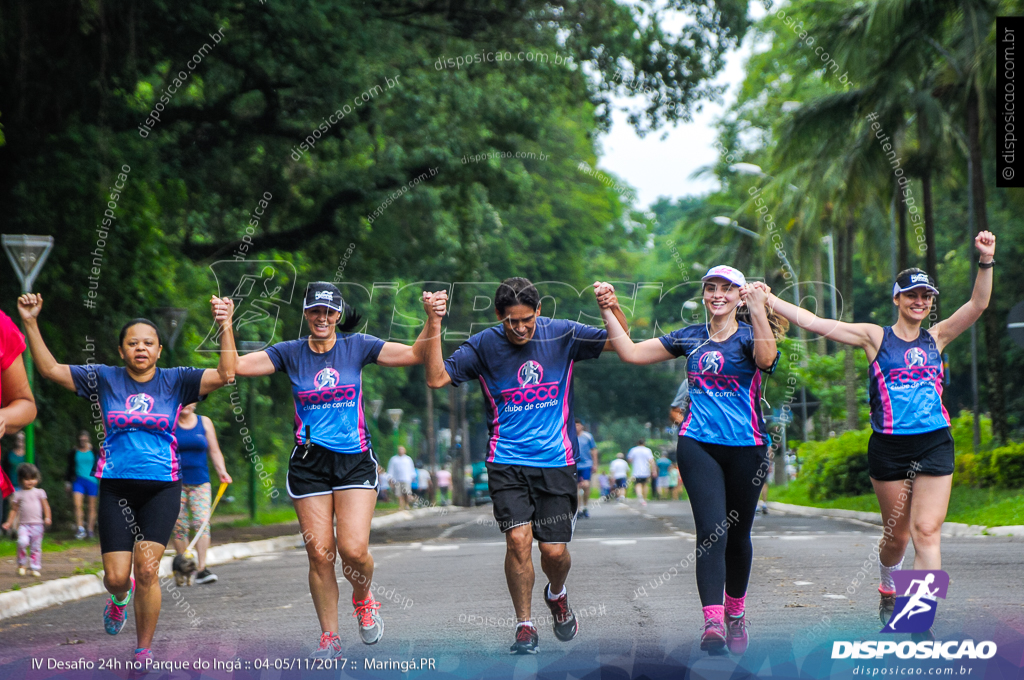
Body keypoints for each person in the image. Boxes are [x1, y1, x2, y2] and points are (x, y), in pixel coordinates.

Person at [757, 230, 997, 632]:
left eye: (926, 297)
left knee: (926, 531)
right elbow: (818, 323)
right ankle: (889, 585)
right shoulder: (875, 337)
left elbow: (977, 304)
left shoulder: (937, 337)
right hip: (888, 448)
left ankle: (917, 622)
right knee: (897, 537)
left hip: (935, 441)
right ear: (897, 299)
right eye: (912, 295)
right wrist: (769, 300)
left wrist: (985, 260)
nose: (920, 302)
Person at [18, 292, 236, 665]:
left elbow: (227, 374)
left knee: (148, 570)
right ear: (121, 351)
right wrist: (30, 322)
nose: (140, 348)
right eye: (133, 343)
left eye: (148, 343)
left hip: (162, 487)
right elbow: (51, 370)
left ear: (159, 351)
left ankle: (143, 649)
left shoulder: (177, 381)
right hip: (116, 487)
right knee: (117, 577)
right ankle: (119, 599)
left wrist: (225, 326)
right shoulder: (104, 378)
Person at [234, 282, 446, 660]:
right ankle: (329, 637)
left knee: (353, 550)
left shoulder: (357, 346)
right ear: (306, 314)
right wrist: (225, 326)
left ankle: (363, 599)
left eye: (329, 312)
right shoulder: (290, 353)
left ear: (338, 315)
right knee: (320, 555)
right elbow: (234, 367)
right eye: (315, 311)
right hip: (308, 464)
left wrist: (432, 319)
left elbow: (416, 354)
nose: (322, 318)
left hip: (353, 459)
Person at [425, 277, 627, 654]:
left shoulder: (563, 334)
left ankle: (557, 594)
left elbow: (620, 343)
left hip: (556, 461)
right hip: (506, 461)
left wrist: (610, 307)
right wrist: (434, 323)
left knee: (553, 552)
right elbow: (437, 377)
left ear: (538, 311)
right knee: (517, 540)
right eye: (511, 322)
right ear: (499, 317)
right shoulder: (484, 345)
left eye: (526, 321)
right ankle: (524, 624)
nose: (519, 329)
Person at [597, 265, 786, 655]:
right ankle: (713, 622)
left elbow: (767, 360)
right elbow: (630, 353)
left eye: (728, 289)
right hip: (697, 444)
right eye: (711, 288)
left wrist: (759, 308)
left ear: (739, 296)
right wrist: (609, 309)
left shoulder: (752, 336)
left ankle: (735, 613)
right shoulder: (690, 338)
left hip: (748, 447)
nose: (718, 294)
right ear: (703, 295)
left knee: (739, 536)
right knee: (712, 531)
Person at [172, 403, 233, 585]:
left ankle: (201, 568)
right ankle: (183, 566)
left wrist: (222, 471)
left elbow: (214, 450)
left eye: (191, 400)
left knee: (201, 522)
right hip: (175, 482)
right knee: (178, 525)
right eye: (184, 400)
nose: (187, 405)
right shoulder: (170, 422)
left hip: (201, 481)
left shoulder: (204, 422)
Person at [2, 463, 50, 576]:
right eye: (27, 479)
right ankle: (21, 564)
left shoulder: (40, 492)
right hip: (24, 525)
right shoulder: (18, 494)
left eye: (33, 479)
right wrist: (9, 522)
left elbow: (46, 506)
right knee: (22, 542)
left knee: (36, 547)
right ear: (21, 479)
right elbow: (14, 510)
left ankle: (34, 567)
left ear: (37, 479)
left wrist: (47, 517)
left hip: (37, 525)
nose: (30, 482)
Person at [65, 431, 99, 539]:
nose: (82, 441)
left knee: (91, 506)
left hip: (92, 481)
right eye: (81, 439)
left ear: (88, 439)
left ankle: (90, 529)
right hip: (78, 480)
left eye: (85, 439)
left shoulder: (94, 451)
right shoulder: (74, 452)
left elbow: (100, 465)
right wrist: (67, 482)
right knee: (77, 505)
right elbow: (69, 467)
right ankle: (80, 529)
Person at [575, 420, 597, 518]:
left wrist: (595, 464)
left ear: (582, 426)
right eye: (574, 425)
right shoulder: (569, 436)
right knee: (576, 488)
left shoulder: (588, 437)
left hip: (586, 464)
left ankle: (585, 506)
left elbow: (594, 450)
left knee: (586, 485)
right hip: (574, 465)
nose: (576, 427)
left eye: (578, 425)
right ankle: (578, 509)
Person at [627, 439, 654, 506]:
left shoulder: (633, 450)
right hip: (645, 470)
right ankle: (644, 499)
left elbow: (630, 459)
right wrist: (653, 470)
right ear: (644, 443)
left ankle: (640, 495)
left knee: (638, 484)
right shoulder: (647, 450)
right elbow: (651, 460)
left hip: (637, 470)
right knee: (645, 484)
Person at [387, 446, 416, 511]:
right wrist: (390, 478)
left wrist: (412, 477)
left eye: (402, 449)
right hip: (397, 479)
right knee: (399, 493)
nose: (401, 451)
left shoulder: (408, 459)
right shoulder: (393, 459)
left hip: (406, 478)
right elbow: (391, 469)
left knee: (407, 493)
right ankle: (401, 505)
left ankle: (407, 504)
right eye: (400, 449)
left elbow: (411, 468)